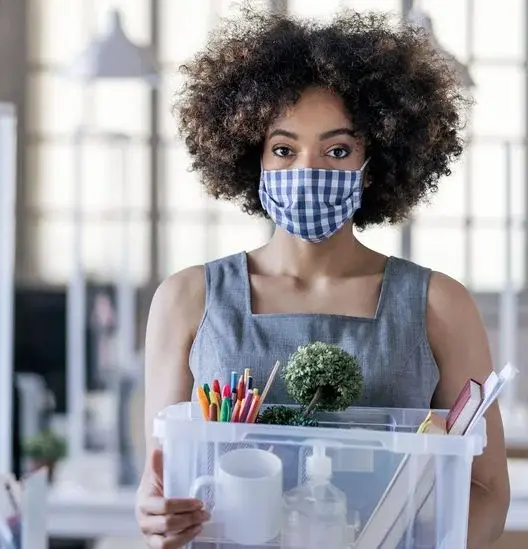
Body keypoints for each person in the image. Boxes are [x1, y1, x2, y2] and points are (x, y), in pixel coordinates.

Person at [137, 10, 510, 549]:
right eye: (284, 150)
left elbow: (487, 490)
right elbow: (158, 486)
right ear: (252, 158)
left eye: (337, 151)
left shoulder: (439, 304)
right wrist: (155, 520)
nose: (306, 172)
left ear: (374, 162)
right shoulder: (188, 299)